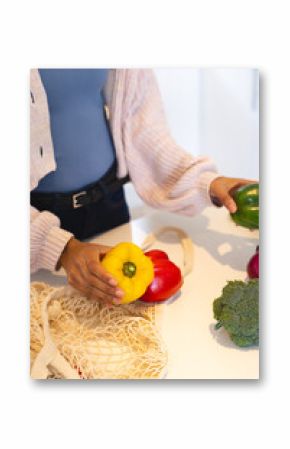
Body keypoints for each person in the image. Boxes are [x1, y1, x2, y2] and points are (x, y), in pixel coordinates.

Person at [30, 68, 255, 305]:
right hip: (33, 228)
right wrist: (58, 247)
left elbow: (143, 127)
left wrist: (204, 182)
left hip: (108, 204)